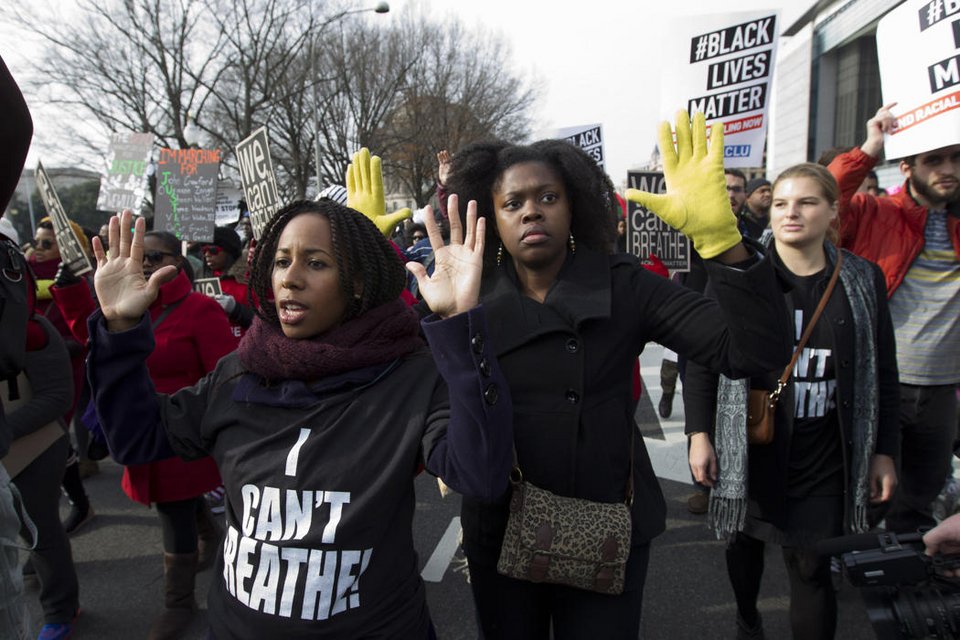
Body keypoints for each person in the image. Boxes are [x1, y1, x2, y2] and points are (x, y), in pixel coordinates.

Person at [87, 195, 512, 638]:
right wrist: (118, 330)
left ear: (359, 282)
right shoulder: (238, 374)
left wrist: (460, 326)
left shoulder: (410, 377)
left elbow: (481, 474)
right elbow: (135, 438)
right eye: (281, 261)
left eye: (316, 263)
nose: (290, 279)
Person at [438, 111, 791, 639]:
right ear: (490, 216)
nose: (531, 211)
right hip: (502, 524)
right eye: (513, 203)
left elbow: (750, 352)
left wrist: (724, 244)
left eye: (548, 198)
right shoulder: (466, 294)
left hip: (607, 519)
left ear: (574, 204)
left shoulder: (622, 283)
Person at [683, 162, 899, 640]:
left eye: (807, 202)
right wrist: (700, 434)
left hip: (823, 455)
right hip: (751, 447)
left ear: (832, 211)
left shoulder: (863, 280)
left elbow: (883, 369)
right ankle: (747, 617)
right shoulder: (738, 272)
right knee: (744, 551)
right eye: (781, 203)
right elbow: (702, 359)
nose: (790, 213)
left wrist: (884, 449)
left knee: (811, 568)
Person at [828, 104, 960, 535]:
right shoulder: (875, 212)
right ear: (906, 166)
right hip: (882, 380)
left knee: (922, 492)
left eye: (956, 158)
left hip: (944, 388)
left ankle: (910, 577)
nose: (948, 169)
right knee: (867, 487)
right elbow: (827, 198)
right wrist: (869, 148)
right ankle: (848, 562)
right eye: (934, 160)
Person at [5, 316, 81, 640]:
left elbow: (57, 396)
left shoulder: (29, 328)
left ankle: (60, 608)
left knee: (40, 529)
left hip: (37, 447)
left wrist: (4, 431)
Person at [199, 226, 254, 337]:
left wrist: (236, 309)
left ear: (229, 251)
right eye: (204, 251)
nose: (207, 255)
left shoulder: (249, 281)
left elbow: (266, 325)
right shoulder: (200, 279)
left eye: (213, 250)